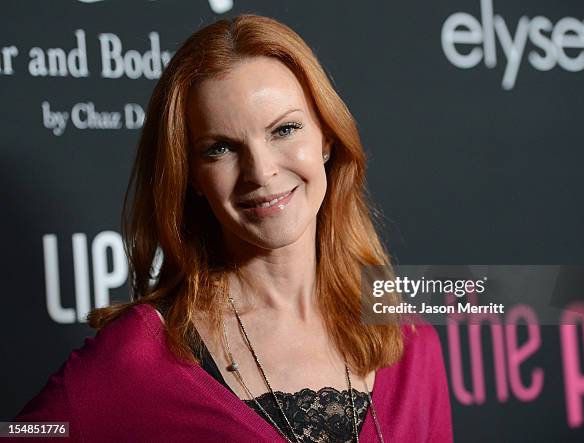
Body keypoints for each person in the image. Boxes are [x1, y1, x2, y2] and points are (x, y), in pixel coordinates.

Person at [12, 14, 453, 442]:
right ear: (193, 178)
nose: (260, 172)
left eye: (285, 129)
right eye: (220, 148)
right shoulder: (144, 352)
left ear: (327, 139)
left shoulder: (409, 340)